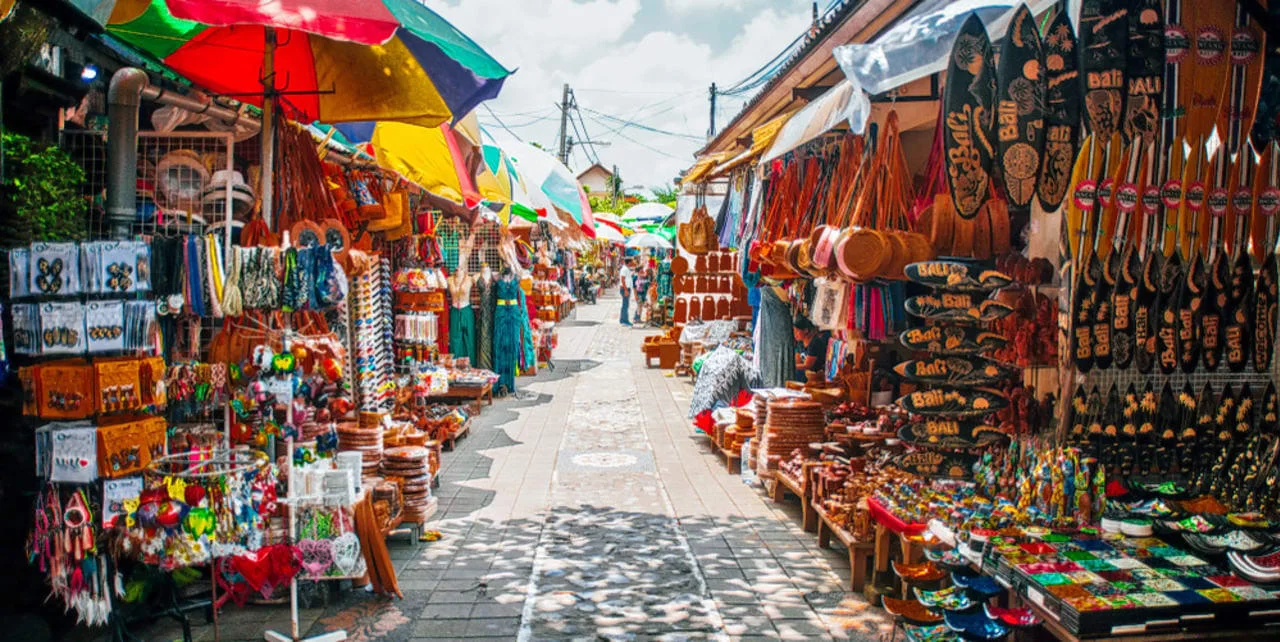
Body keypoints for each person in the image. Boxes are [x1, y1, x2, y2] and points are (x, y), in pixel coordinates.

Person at [793, 315, 830, 381]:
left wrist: (790, 366)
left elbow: (808, 365)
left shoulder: (815, 343)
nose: (795, 334)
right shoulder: (800, 343)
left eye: (797, 331)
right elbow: (797, 361)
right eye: (794, 331)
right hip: (807, 375)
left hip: (818, 376)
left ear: (806, 330)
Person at [619, 259, 633, 326]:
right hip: (625, 289)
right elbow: (622, 279)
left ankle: (623, 320)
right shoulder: (624, 269)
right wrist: (626, 290)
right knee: (625, 305)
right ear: (629, 262)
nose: (632, 263)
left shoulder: (626, 269)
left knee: (625, 305)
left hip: (626, 288)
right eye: (631, 262)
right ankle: (625, 321)